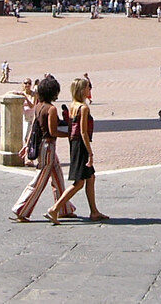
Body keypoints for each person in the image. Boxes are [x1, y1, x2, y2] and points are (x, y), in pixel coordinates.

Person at [11, 76, 76, 222]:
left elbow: (35, 126)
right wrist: (69, 135)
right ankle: (21, 209)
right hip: (48, 146)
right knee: (40, 179)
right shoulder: (51, 109)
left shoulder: (39, 106)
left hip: (42, 145)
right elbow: (53, 132)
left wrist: (27, 144)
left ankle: (64, 208)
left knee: (58, 176)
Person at [48, 78, 108, 223]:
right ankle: (55, 209)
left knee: (91, 177)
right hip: (81, 145)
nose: (90, 90)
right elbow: (83, 132)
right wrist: (90, 152)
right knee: (79, 183)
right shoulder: (84, 108)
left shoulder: (73, 106)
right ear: (82, 90)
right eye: (88, 87)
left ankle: (94, 211)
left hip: (74, 144)